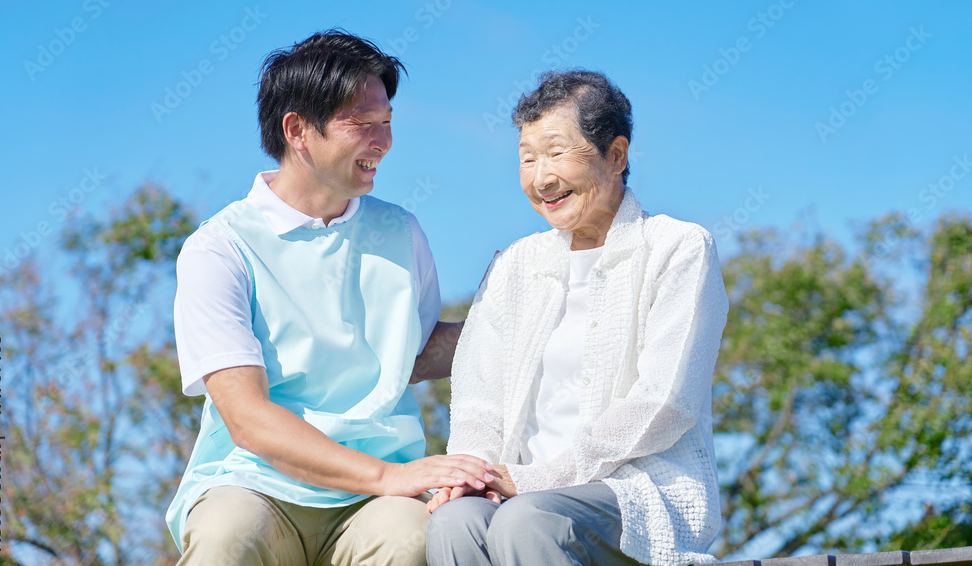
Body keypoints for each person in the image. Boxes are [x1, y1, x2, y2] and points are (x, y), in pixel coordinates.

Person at [165, 29, 493, 566]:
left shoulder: (403, 231)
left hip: (374, 500)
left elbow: (412, 354)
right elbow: (247, 418)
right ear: (297, 130)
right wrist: (390, 475)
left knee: (414, 538)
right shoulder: (219, 247)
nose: (382, 142)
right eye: (362, 125)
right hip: (254, 483)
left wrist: (519, 330)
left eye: (386, 124)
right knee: (227, 536)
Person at [425, 70, 729, 566]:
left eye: (557, 152)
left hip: (632, 491)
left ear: (616, 155)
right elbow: (479, 397)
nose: (541, 177)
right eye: (527, 158)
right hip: (514, 490)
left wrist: (537, 480)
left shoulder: (678, 247)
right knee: (454, 522)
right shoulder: (513, 265)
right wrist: (472, 477)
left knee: (531, 520)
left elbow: (665, 402)